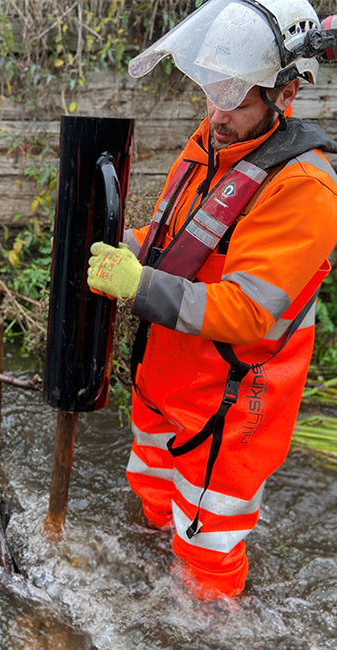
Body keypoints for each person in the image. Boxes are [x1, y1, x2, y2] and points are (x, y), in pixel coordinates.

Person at [87, 0, 337, 598]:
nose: (218, 112)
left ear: (283, 94)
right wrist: (122, 246)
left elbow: (248, 313)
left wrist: (137, 285)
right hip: (164, 381)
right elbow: (176, 240)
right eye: (212, 89)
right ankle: (148, 591)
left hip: (229, 408)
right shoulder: (210, 142)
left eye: (237, 96)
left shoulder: (305, 187)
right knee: (150, 499)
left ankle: (211, 632)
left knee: (207, 559)